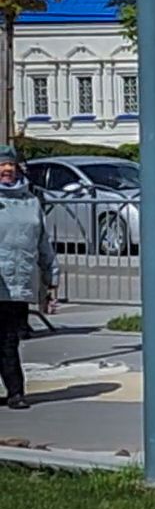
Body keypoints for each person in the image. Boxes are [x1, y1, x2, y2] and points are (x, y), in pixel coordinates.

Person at [0, 144, 57, 409]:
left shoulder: (31, 201)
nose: (7, 169)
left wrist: (51, 278)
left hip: (19, 283)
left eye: (10, 164)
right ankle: (14, 391)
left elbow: (43, 243)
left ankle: (15, 392)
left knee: (10, 339)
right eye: (2, 165)